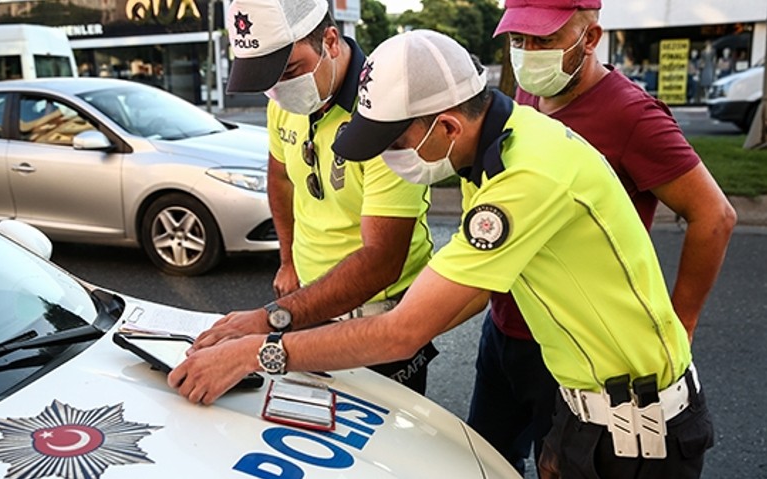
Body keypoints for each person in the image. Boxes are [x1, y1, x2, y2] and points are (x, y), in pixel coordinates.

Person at [169, 29, 714, 479]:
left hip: (637, 435)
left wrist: (256, 352)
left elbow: (403, 331)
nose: (393, 159)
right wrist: (277, 319)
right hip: (591, 410)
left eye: (396, 144)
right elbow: (461, 296)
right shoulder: (502, 147)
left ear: (448, 125)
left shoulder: (523, 178)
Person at [466, 0, 737, 474]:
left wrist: (682, 322)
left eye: (544, 40)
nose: (528, 54)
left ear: (589, 39)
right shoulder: (530, 95)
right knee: (484, 460)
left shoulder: (630, 114)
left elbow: (714, 216)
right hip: (506, 328)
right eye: (518, 40)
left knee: (558, 466)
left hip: (579, 352)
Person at [192, 0, 437, 393]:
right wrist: (287, 260)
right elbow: (281, 177)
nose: (279, 91)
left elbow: (382, 260)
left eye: (289, 71)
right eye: (265, 81)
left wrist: (270, 319)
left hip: (376, 316)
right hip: (304, 306)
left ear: (331, 41)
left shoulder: (384, 110)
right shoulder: (282, 104)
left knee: (377, 444)